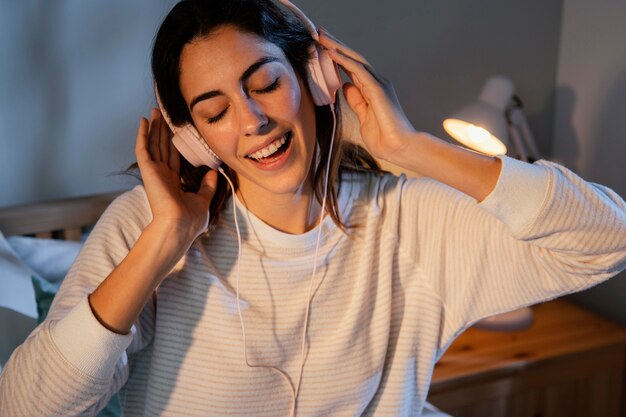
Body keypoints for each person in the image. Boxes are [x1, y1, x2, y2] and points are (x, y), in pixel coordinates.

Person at [1, 0, 625, 416]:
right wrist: (165, 241)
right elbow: (28, 408)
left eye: (266, 83)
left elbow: (609, 239)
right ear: (194, 137)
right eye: (215, 113)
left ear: (314, 77)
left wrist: (413, 148)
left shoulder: (407, 220)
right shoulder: (146, 228)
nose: (252, 122)